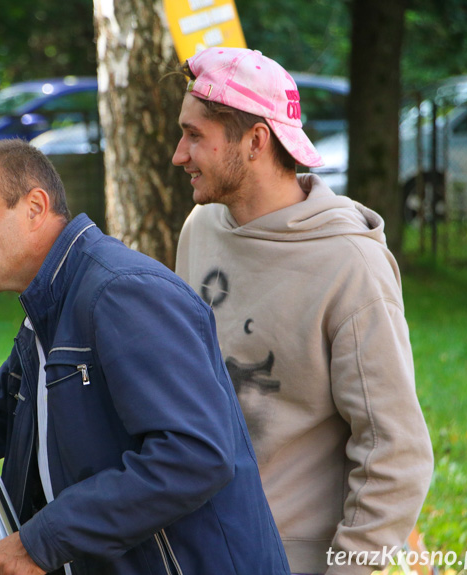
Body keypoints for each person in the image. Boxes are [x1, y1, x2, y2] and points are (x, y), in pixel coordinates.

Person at [0, 138, 290, 575]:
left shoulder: (122, 291)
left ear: (34, 207)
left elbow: (195, 456)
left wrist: (41, 541)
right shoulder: (49, 313)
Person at [172, 47, 434, 575]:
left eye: (195, 135)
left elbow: (394, 451)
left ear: (256, 141)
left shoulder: (351, 265)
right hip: (193, 549)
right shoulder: (200, 229)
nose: (179, 153)